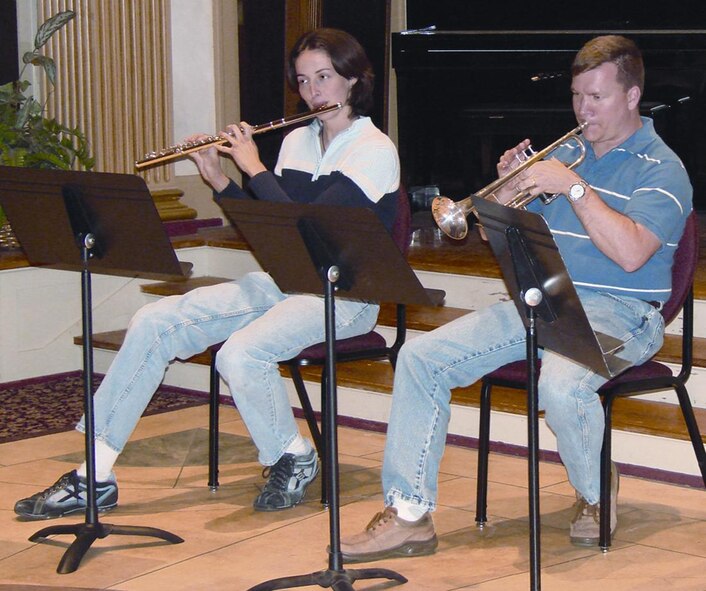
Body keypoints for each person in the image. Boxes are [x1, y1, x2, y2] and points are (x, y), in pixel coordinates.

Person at [14, 28, 401, 519]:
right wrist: (218, 175)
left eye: (324, 78)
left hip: (348, 296)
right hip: (287, 281)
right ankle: (95, 474)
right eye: (303, 82)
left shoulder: (374, 149)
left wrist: (254, 168)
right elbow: (271, 231)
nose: (313, 92)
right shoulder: (297, 143)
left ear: (352, 79)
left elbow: (310, 231)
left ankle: (293, 455)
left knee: (241, 354)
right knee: (154, 320)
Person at [340, 34, 692, 561]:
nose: (583, 109)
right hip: (543, 296)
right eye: (577, 96)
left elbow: (632, 254)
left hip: (623, 313)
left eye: (597, 97)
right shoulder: (570, 151)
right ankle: (409, 514)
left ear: (633, 96)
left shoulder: (662, 169)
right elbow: (495, 238)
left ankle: (596, 490)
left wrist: (573, 188)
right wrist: (504, 195)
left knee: (564, 383)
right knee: (420, 357)